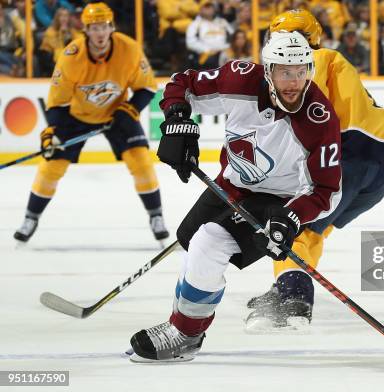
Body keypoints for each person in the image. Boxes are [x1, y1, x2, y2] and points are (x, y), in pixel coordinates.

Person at [128, 31, 342, 362]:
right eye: (285, 71)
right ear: (268, 70)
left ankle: (186, 333)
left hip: (276, 201)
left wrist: (292, 217)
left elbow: (325, 190)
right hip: (230, 184)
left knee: (208, 242)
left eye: (301, 71)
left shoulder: (319, 119)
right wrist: (177, 120)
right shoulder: (239, 79)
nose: (294, 81)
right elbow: (181, 84)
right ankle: (180, 321)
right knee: (189, 242)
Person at [246, 9, 384, 331]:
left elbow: (298, 113)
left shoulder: (306, 62)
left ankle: (295, 296)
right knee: (313, 229)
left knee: (293, 227)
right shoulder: (333, 56)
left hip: (344, 157)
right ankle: (285, 284)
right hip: (382, 167)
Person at [13, 2, 169, 244]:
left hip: (116, 115)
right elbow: (56, 104)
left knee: (141, 161)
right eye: (94, 28)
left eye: (104, 26)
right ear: (85, 30)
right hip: (75, 118)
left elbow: (147, 88)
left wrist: (128, 111)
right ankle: (31, 217)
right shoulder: (71, 58)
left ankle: (156, 216)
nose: (99, 33)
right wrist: (53, 132)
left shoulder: (129, 49)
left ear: (112, 27)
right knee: (51, 166)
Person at [186, 0, 234, 69]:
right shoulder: (195, 24)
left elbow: (233, 37)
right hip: (206, 55)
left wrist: (226, 48)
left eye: (211, 6)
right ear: (200, 9)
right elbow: (190, 43)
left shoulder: (222, 22)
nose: (209, 9)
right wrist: (208, 50)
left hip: (225, 52)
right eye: (206, 7)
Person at [39, 7, 80, 76]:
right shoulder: (50, 32)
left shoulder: (72, 31)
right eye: (61, 16)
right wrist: (62, 34)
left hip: (67, 61)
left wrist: (68, 35)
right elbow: (57, 52)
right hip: (50, 60)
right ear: (57, 18)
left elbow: (79, 43)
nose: (64, 19)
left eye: (66, 16)